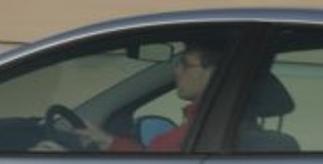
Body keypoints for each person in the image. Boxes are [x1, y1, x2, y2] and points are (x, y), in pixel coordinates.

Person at [75, 43, 219, 152]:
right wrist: (108, 142)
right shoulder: (208, 120)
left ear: (211, 73)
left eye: (186, 65)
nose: (176, 71)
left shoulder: (212, 123)